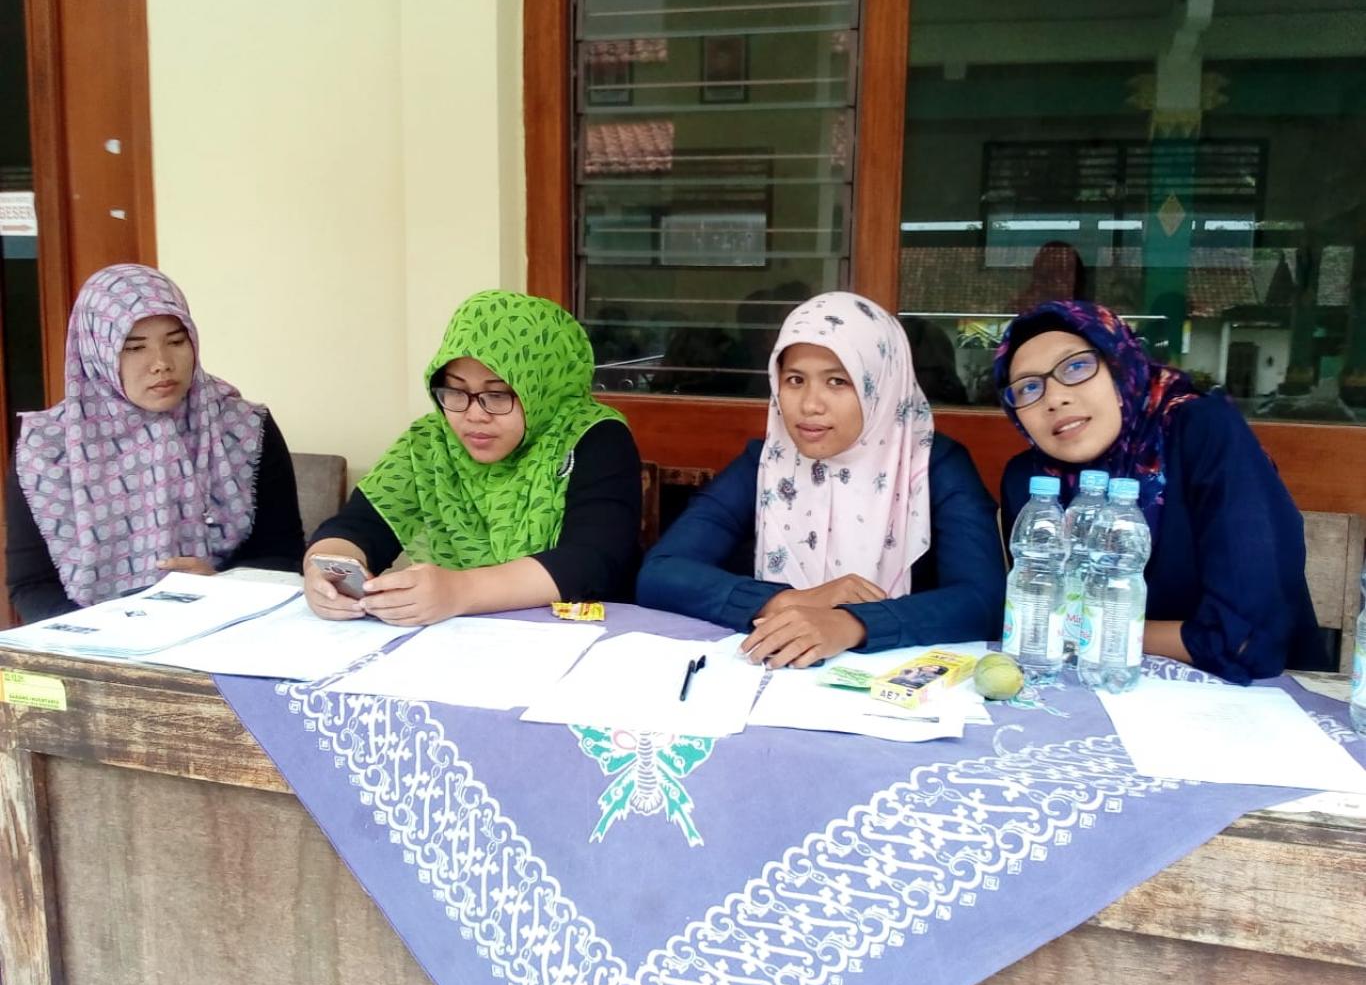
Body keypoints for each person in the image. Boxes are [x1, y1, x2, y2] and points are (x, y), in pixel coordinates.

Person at [636, 291, 1005, 668]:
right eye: (795, 379)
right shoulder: (767, 462)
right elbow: (661, 572)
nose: (810, 404)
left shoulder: (932, 465)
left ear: (881, 384)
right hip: (777, 677)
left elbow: (983, 603)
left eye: (838, 381)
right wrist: (784, 601)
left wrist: (853, 623)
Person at [993, 299, 1325, 683]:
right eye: (1028, 387)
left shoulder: (1202, 432)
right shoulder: (1030, 482)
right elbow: (1032, 613)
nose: (1054, 398)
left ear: (1120, 366)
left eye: (1076, 366)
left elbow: (1244, 640)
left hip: (1254, 697)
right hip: (1086, 688)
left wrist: (1090, 634)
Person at [304, 290, 641, 626]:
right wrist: (326, 571)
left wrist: (459, 590)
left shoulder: (594, 436)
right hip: (463, 638)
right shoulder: (432, 440)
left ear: (542, 389)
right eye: (455, 391)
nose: (474, 415)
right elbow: (358, 525)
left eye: (497, 395)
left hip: (580, 635)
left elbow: (592, 560)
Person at [6, 264, 305, 623]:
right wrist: (110, 630)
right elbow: (31, 586)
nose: (161, 363)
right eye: (134, 348)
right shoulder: (48, 447)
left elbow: (284, 556)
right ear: (97, 352)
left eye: (176, 342)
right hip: (93, 637)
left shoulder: (244, 427)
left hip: (226, 626)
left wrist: (222, 587)